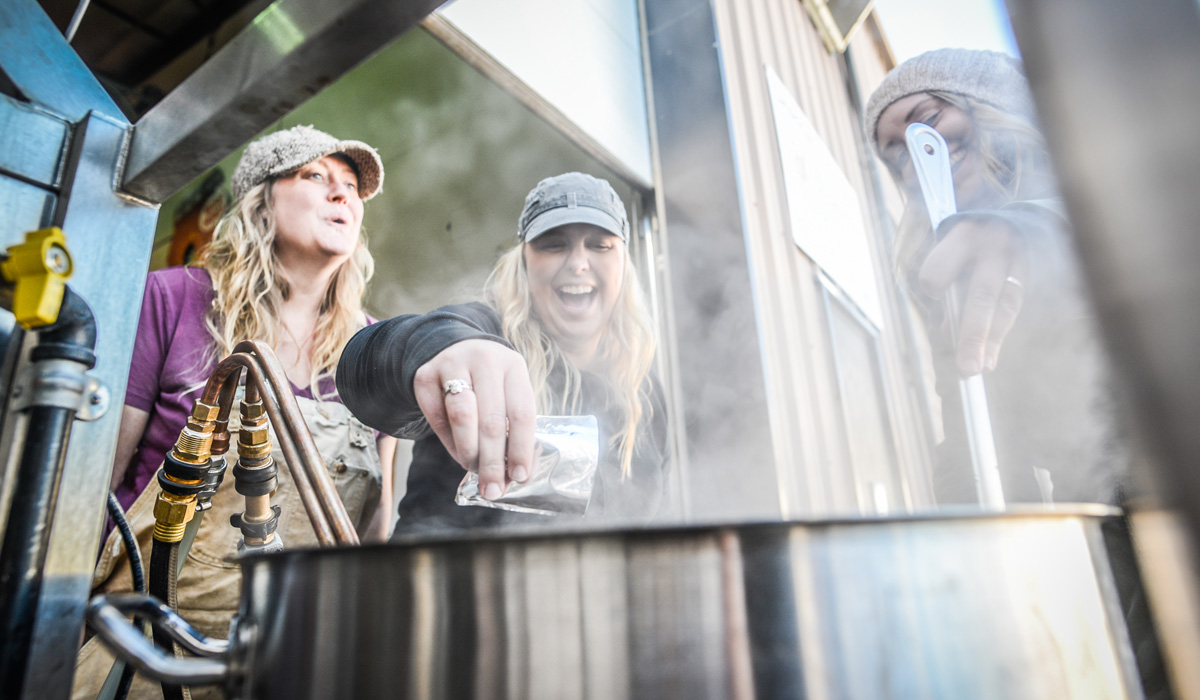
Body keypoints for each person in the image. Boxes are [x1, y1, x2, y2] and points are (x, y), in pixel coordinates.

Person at [74, 125, 396, 699]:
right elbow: (93, 485)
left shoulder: (374, 351)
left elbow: (373, 534)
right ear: (260, 198)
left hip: (290, 665)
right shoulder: (172, 299)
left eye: (350, 187)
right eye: (316, 176)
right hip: (146, 651)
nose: (342, 194)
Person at [337, 172, 670, 532]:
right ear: (524, 262)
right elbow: (363, 370)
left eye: (600, 245)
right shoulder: (485, 336)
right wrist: (438, 347)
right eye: (554, 244)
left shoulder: (645, 395)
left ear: (624, 261)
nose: (578, 263)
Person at [865, 48, 1123, 505]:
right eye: (896, 153)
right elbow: (973, 433)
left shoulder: (1103, 173)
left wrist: (1024, 235)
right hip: (1091, 494)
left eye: (926, 118)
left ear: (993, 104)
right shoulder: (946, 271)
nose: (917, 150)